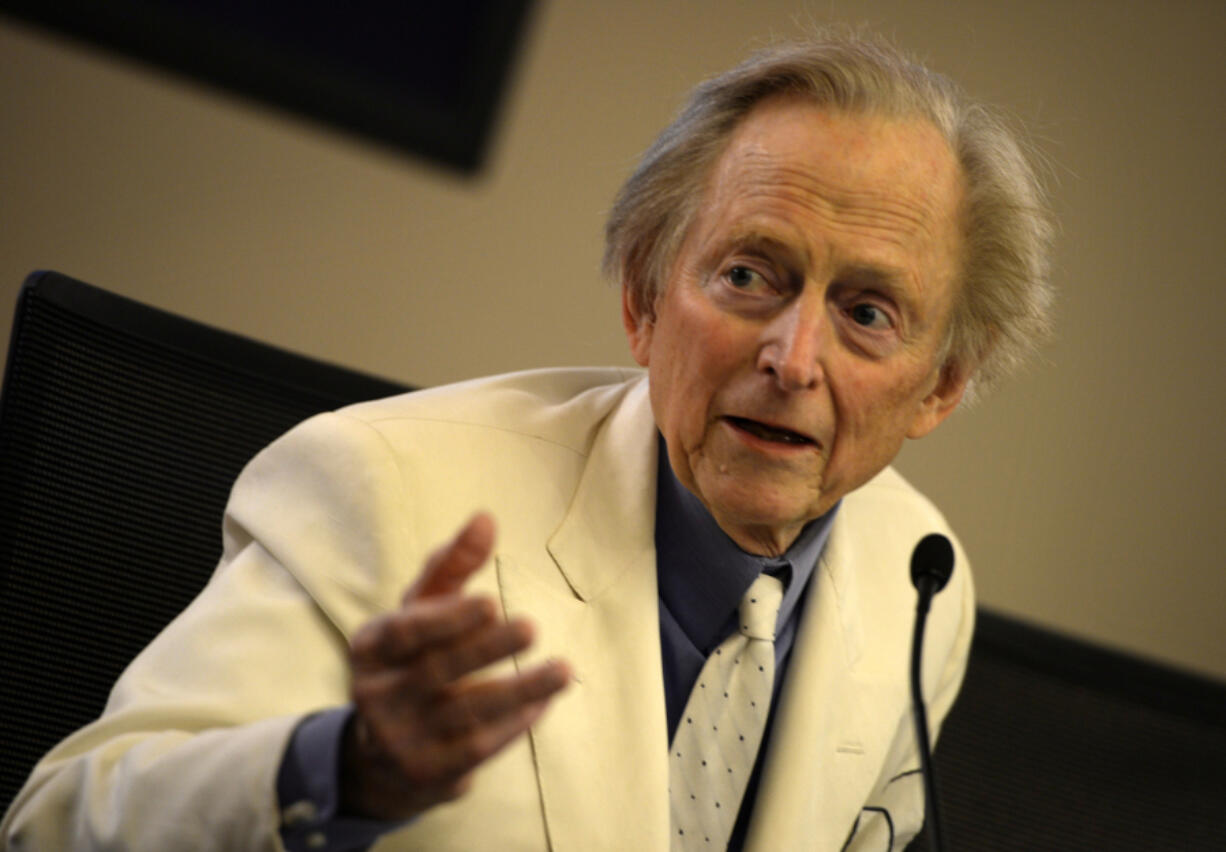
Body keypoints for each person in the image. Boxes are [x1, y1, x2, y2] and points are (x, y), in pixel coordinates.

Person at [0, 29, 1051, 852]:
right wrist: (342, 770)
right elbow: (54, 824)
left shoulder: (919, 582)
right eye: (748, 274)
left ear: (941, 385)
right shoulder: (381, 491)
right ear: (642, 301)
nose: (792, 356)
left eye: (867, 312)